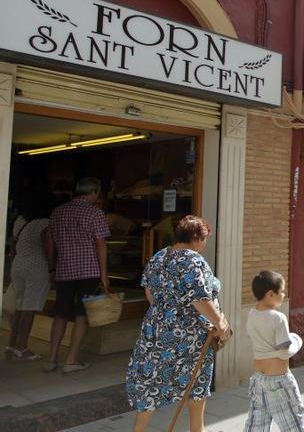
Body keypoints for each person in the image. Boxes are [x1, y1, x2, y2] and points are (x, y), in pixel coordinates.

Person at [126, 215, 231, 432]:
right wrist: (221, 325)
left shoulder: (159, 256)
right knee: (196, 384)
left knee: (150, 382)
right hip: (188, 336)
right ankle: (196, 429)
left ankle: (139, 429)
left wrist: (164, 314)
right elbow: (201, 299)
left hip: (154, 331)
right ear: (196, 238)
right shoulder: (193, 260)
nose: (204, 245)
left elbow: (149, 292)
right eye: (204, 239)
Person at [44, 177, 111, 374]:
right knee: (81, 316)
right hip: (88, 271)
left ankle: (52, 358)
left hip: (64, 270)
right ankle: (71, 360)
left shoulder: (58, 212)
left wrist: (52, 268)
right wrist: (104, 275)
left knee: (60, 315)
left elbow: (50, 242)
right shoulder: (95, 213)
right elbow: (101, 244)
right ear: (94, 193)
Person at [244, 270, 304, 432]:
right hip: (279, 380)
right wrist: (296, 341)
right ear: (271, 294)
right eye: (281, 291)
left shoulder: (252, 314)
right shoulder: (278, 318)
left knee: (256, 424)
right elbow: (285, 351)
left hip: (258, 379)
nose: (284, 294)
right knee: (294, 422)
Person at [5, 191, 53, 361]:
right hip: (36, 266)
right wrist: (52, 269)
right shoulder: (45, 223)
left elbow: (13, 245)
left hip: (18, 264)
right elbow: (48, 246)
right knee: (30, 308)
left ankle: (12, 344)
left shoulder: (24, 222)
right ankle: (22, 347)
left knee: (20, 307)